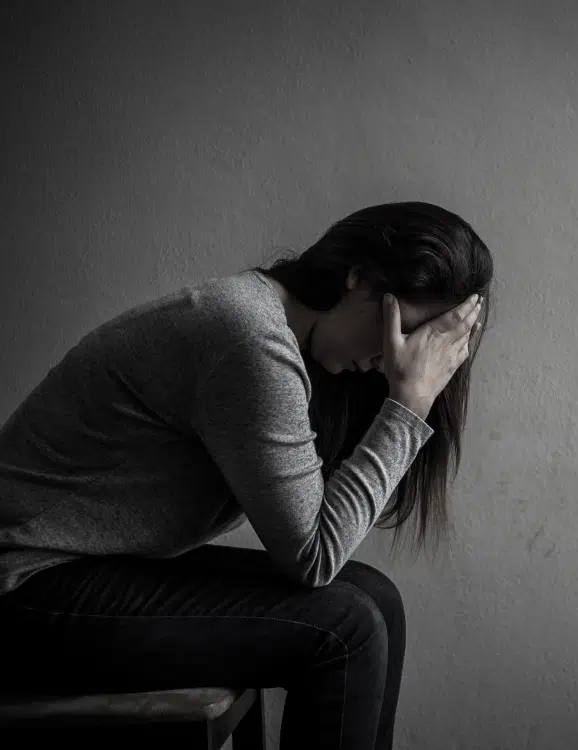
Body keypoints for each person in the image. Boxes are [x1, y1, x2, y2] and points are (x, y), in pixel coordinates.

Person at [0, 200, 493, 749]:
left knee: (377, 599)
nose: (397, 358)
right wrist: (409, 405)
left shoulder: (280, 336)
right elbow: (315, 557)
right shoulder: (249, 336)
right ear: (360, 279)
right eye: (408, 330)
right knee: (345, 627)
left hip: (89, 570)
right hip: (25, 586)